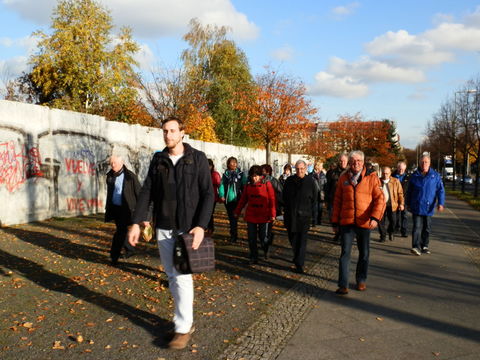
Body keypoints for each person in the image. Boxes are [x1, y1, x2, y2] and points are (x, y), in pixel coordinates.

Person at [127, 116, 214, 350]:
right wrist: (138, 221)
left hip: (186, 228)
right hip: (163, 227)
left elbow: (208, 194)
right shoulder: (159, 160)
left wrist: (200, 226)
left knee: (183, 277)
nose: (168, 135)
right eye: (165, 131)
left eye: (173, 131)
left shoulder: (196, 159)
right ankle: (181, 319)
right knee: (172, 276)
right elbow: (146, 191)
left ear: (182, 133)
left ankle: (183, 327)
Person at [331, 150, 385, 295]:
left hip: (364, 221)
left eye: (359, 161)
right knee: (345, 253)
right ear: (349, 162)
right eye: (353, 161)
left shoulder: (371, 178)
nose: (356, 164)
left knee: (364, 253)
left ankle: (361, 280)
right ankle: (343, 284)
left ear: (363, 162)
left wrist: (375, 218)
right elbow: (337, 201)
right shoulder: (343, 178)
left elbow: (380, 199)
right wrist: (335, 222)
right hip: (347, 222)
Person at [234, 165, 276, 263]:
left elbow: (272, 199)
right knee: (251, 238)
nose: (254, 178)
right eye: (253, 176)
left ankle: (266, 247)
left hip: (264, 215)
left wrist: (273, 213)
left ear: (261, 175)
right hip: (251, 214)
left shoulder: (267, 184)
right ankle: (253, 256)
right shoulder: (248, 185)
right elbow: (243, 199)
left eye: (256, 176)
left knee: (263, 238)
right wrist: (237, 211)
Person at [282, 160, 318, 274]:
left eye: (302, 169)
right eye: (297, 169)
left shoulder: (311, 181)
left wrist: (313, 217)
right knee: (293, 239)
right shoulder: (289, 181)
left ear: (306, 169)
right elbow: (284, 197)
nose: (300, 171)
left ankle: (299, 263)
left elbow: (315, 200)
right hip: (291, 216)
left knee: (302, 241)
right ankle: (296, 256)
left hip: (304, 216)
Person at [104, 155, 141, 266]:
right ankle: (129, 250)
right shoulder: (110, 176)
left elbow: (139, 193)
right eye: (111, 163)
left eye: (114, 163)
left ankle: (114, 257)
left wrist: (142, 211)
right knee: (122, 230)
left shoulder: (130, 176)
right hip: (115, 208)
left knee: (120, 232)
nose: (113, 165)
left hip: (127, 209)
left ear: (121, 162)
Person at [405, 154, 445, 256]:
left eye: (426, 162)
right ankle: (415, 246)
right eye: (422, 162)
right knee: (417, 227)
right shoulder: (415, 176)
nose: (424, 164)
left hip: (428, 207)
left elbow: (440, 190)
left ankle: (424, 246)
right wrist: (407, 203)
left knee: (426, 228)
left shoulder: (435, 176)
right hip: (417, 206)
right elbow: (409, 191)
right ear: (419, 163)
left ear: (429, 163)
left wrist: (441, 203)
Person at [218, 157, 247, 243]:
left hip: (238, 200)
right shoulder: (225, 174)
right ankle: (233, 235)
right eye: (232, 163)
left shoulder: (240, 174)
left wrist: (245, 197)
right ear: (228, 164)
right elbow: (221, 185)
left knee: (235, 217)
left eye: (235, 162)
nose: (234, 164)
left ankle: (234, 235)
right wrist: (221, 195)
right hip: (228, 200)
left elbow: (245, 185)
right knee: (232, 218)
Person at [378, 166, 404, 242]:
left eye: (387, 173)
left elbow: (400, 193)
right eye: (383, 173)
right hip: (381, 205)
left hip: (392, 204)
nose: (385, 175)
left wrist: (401, 203)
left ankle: (390, 232)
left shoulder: (395, 181)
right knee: (380, 222)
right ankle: (383, 236)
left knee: (393, 221)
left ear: (390, 173)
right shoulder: (378, 181)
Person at [325, 153, 348, 221]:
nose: (342, 163)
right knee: (334, 221)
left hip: (346, 201)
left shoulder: (351, 173)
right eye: (341, 161)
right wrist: (326, 200)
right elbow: (327, 187)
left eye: (344, 161)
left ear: (347, 161)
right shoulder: (332, 173)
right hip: (333, 200)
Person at [392, 160, 410, 237]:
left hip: (405, 199)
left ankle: (404, 231)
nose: (401, 170)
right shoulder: (392, 176)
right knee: (395, 215)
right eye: (399, 169)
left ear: (405, 169)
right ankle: (396, 228)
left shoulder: (409, 177)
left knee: (404, 215)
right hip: (394, 199)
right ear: (397, 168)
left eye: (402, 169)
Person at [207, 158, 222, 234]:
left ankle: (210, 228)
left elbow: (220, 185)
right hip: (203, 196)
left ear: (212, 166)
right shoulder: (202, 173)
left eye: (209, 165)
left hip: (213, 197)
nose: (208, 167)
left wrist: (221, 195)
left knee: (209, 212)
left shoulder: (215, 174)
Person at [311, 161, 326, 226]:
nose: (322, 167)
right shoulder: (311, 175)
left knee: (320, 208)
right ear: (317, 166)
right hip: (314, 193)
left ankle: (319, 221)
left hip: (321, 193)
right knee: (314, 208)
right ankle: (314, 221)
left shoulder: (323, 175)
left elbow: (326, 184)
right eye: (321, 166)